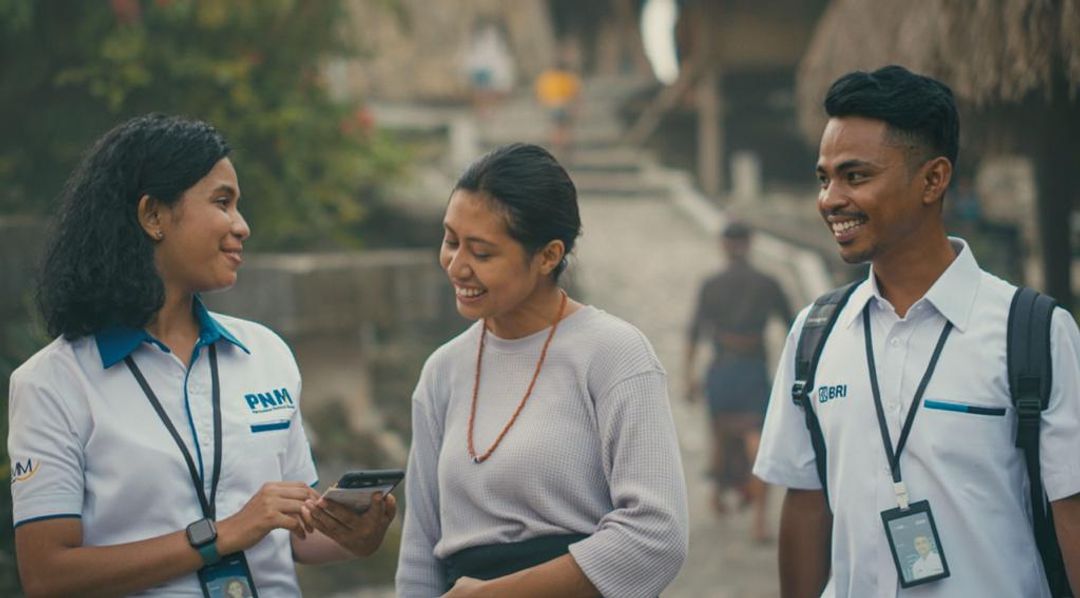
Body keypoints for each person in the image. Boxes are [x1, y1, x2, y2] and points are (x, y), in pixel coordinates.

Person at [8, 114, 396, 596]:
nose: (243, 226)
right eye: (222, 202)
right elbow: (46, 575)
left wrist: (356, 536)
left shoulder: (266, 353)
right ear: (152, 216)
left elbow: (297, 537)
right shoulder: (53, 382)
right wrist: (221, 534)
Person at [752, 65, 1080, 596]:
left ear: (933, 179)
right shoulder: (815, 336)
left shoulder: (1034, 334)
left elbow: (1072, 513)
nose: (830, 198)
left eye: (855, 176)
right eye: (824, 177)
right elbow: (807, 505)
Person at [396, 143, 688, 597]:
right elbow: (419, 552)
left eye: (483, 253)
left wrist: (496, 595)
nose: (457, 266)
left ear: (549, 255)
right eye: (451, 241)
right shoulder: (443, 371)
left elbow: (656, 535)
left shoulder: (614, 354)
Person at [684, 221, 791, 540]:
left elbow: (694, 332)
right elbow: (793, 327)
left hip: (720, 369)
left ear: (723, 245)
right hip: (753, 368)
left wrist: (688, 375)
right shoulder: (769, 283)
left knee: (718, 434)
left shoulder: (711, 284)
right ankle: (759, 520)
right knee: (756, 441)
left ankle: (717, 496)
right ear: (750, 243)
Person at [534, 58, 582, 159]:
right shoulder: (566, 76)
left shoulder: (549, 77)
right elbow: (575, 93)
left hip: (556, 105)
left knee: (559, 129)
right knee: (562, 129)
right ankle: (562, 149)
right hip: (561, 105)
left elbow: (540, 93)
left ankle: (560, 149)